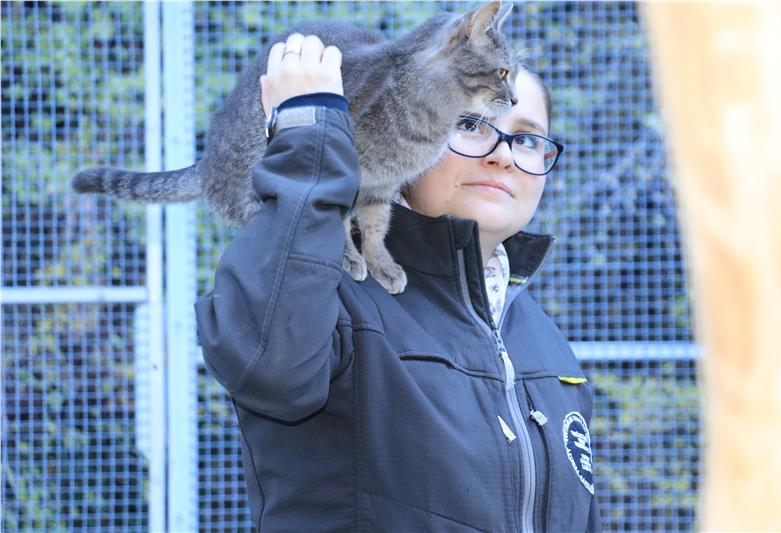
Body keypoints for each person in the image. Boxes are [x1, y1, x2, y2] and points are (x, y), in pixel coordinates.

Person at [196, 32, 601, 532]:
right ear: (414, 127)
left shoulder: (544, 340)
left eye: (528, 139)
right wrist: (308, 142)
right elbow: (269, 369)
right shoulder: (325, 290)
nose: (502, 155)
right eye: (471, 124)